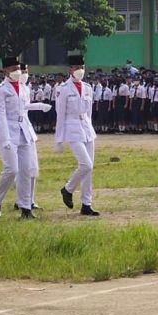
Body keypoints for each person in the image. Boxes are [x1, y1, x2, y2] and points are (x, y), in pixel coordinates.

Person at [0, 57, 51, 219]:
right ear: (5, 71)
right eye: (13, 68)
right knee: (12, 169)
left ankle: (26, 208)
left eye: (18, 68)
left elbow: (24, 108)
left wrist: (39, 106)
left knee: (26, 170)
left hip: (24, 130)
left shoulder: (24, 88)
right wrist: (6, 138)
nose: (17, 71)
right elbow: (0, 115)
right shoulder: (0, 89)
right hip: (8, 132)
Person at [56, 54, 100, 216]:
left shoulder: (88, 87)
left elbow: (88, 113)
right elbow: (60, 115)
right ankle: (67, 189)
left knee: (89, 169)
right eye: (77, 68)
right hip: (72, 130)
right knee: (85, 164)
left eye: (82, 67)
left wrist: (90, 128)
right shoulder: (63, 89)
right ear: (70, 69)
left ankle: (86, 204)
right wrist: (58, 139)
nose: (80, 70)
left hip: (87, 129)